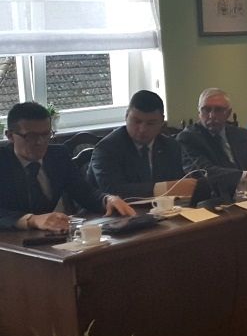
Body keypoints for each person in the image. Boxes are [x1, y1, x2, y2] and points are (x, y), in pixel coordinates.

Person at [1, 101, 134, 231]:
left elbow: (84, 193)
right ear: (10, 136)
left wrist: (107, 200)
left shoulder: (58, 156)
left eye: (46, 134)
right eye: (31, 136)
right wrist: (32, 220)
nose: (40, 142)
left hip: (46, 237)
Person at [89, 90, 197, 201]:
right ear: (126, 116)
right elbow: (113, 190)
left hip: (161, 208)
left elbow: (178, 185)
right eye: (137, 121)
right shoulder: (107, 149)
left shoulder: (171, 146)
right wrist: (162, 188)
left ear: (161, 122)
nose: (142, 129)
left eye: (150, 123)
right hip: (111, 210)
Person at [178, 88, 247, 198]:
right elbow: (202, 172)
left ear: (228, 113)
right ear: (199, 112)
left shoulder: (243, 135)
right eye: (206, 110)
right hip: (214, 198)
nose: (211, 115)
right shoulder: (188, 138)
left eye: (218, 110)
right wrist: (246, 176)